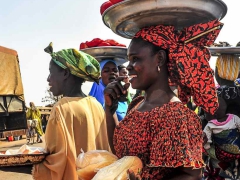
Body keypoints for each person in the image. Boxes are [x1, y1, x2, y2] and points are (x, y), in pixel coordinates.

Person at [104, 20, 222, 179]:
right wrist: (110, 110)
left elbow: (191, 175)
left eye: (135, 59)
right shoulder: (137, 104)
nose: (129, 66)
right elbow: (119, 155)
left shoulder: (177, 115)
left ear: (159, 59)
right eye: (129, 59)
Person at [32, 43, 110, 180]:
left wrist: (27, 165)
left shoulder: (61, 108)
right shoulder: (96, 105)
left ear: (65, 73)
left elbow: (56, 164)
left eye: (51, 72)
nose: (48, 78)